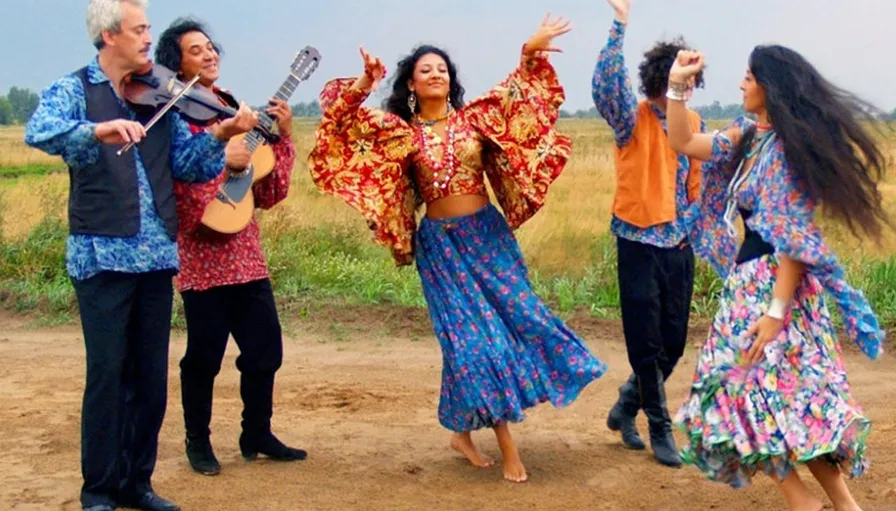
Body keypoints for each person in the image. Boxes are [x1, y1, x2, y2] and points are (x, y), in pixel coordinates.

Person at [307, 14, 607, 483]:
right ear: (410, 82)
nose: (436, 74)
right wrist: (365, 80)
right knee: (475, 346)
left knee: (516, 323)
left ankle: (461, 432)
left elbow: (516, 94)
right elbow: (339, 118)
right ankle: (507, 446)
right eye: (426, 69)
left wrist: (530, 51)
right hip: (441, 249)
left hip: (487, 240)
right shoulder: (399, 133)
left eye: (443, 69)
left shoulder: (474, 121)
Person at [24, 1, 257, 511]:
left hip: (156, 256)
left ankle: (137, 482)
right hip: (102, 253)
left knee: (150, 379)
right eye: (141, 29)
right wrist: (95, 131)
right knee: (109, 374)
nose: (151, 39)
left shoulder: (161, 98)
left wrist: (221, 134)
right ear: (110, 36)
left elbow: (190, 168)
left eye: (149, 28)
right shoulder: (76, 88)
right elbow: (37, 131)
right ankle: (99, 491)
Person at [665, 46, 888, 511]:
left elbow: (792, 239)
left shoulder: (785, 152)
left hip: (774, 293)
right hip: (750, 288)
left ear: (771, 86)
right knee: (766, 399)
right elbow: (685, 142)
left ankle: (813, 502)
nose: (742, 84)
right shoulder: (750, 137)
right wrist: (677, 86)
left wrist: (773, 314)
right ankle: (826, 503)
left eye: (750, 77)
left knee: (765, 397)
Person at [153, 17, 306, 477]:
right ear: (175, 63)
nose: (209, 54)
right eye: (196, 50)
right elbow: (176, 177)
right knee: (204, 355)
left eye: (210, 48)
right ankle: (197, 442)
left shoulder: (233, 108)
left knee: (266, 350)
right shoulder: (172, 112)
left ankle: (255, 432)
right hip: (202, 255)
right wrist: (223, 159)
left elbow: (270, 193)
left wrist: (283, 140)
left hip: (246, 254)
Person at [591, 0, 705, 467]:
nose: (692, 84)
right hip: (637, 241)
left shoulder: (693, 123)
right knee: (646, 341)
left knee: (674, 342)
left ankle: (625, 404)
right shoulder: (630, 119)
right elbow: (606, 86)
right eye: (685, 75)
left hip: (679, 245)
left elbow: (694, 186)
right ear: (663, 76)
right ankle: (660, 427)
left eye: (696, 76)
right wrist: (619, 25)